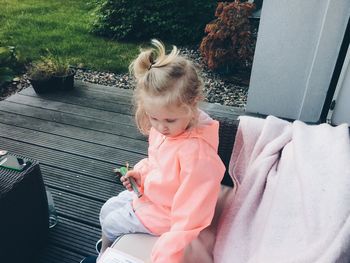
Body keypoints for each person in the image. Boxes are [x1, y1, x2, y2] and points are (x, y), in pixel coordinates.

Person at [81, 39, 225, 263]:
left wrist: (166, 256)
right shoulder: (168, 130)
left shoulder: (197, 155)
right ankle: (108, 246)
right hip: (153, 197)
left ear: (194, 104)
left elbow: (190, 216)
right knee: (107, 208)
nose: (160, 127)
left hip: (166, 213)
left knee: (110, 221)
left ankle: (103, 254)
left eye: (169, 119)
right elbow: (157, 162)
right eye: (153, 117)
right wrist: (141, 173)